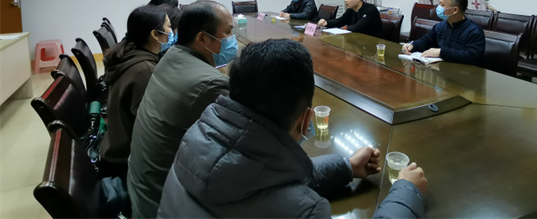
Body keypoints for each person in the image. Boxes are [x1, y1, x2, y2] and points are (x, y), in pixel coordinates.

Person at [157, 39, 427, 218]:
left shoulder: (194, 138)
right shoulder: (306, 211)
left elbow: (260, 180)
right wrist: (407, 192)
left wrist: (346, 167)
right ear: (306, 120)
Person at [127, 0, 234, 219]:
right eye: (228, 32)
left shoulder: (170, 56)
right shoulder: (211, 84)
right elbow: (240, 146)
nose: (232, 39)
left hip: (140, 189)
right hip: (163, 206)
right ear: (202, 39)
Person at [99, 5, 171, 179]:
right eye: (169, 27)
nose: (172, 32)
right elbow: (152, 128)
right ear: (155, 34)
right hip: (124, 162)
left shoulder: (129, 55)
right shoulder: (145, 70)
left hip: (113, 147)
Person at [401, 0, 485, 65]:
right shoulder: (440, 26)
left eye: (442, 5)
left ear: (455, 10)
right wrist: (412, 45)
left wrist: (441, 52)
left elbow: (472, 56)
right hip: (443, 69)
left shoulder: (474, 31)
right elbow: (425, 41)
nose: (438, 7)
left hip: (465, 74)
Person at [318, 0, 383, 38]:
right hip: (356, 41)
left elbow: (357, 27)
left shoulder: (370, 9)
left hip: (372, 44)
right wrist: (326, 23)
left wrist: (344, 29)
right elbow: (340, 21)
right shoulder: (351, 9)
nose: (345, 0)